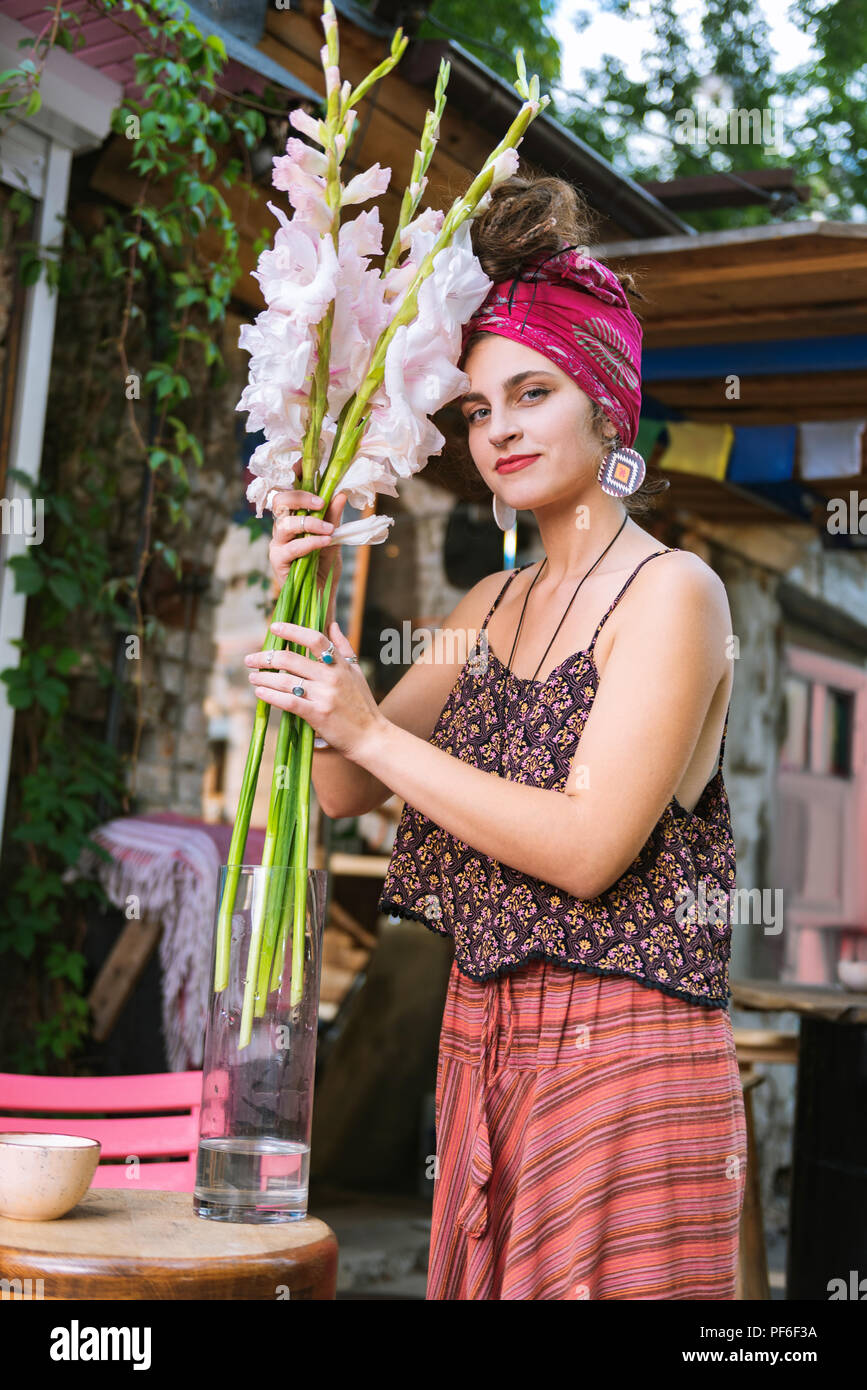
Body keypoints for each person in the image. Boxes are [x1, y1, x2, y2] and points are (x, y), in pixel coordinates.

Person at [245, 173, 747, 1301]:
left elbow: (585, 848)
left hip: (622, 1060)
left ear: (606, 400)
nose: (500, 431)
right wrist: (302, 603)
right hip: (485, 1047)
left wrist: (371, 730)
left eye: (532, 394)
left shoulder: (675, 594)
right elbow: (333, 787)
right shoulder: (486, 608)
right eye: (476, 409)